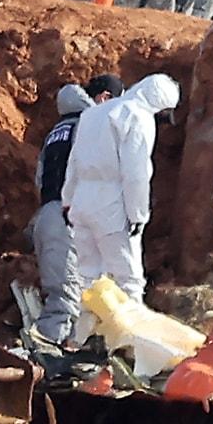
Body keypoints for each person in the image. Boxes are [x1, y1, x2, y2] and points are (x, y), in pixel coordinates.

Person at [62, 72, 180, 304]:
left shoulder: (92, 113)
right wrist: (138, 214)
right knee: (129, 280)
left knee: (88, 277)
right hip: (112, 206)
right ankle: (127, 338)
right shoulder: (138, 116)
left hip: (81, 202)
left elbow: (73, 162)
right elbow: (135, 173)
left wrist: (68, 200)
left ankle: (85, 335)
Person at [27, 73, 122, 351]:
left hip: (49, 214)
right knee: (66, 304)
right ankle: (47, 362)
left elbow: (40, 179)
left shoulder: (57, 130)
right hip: (72, 216)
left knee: (75, 298)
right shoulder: (95, 125)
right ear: (104, 98)